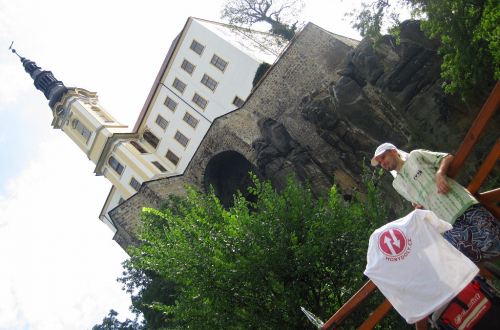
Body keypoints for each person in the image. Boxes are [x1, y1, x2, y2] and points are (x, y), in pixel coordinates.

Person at [371, 143, 500, 263]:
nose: (383, 163)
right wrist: (417, 208)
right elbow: (415, 202)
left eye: (384, 157)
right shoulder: (396, 184)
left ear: (394, 152)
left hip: (461, 205)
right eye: (380, 162)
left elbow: (446, 158)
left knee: (495, 236)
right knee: (477, 259)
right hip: (446, 225)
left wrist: (439, 173)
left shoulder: (415, 156)